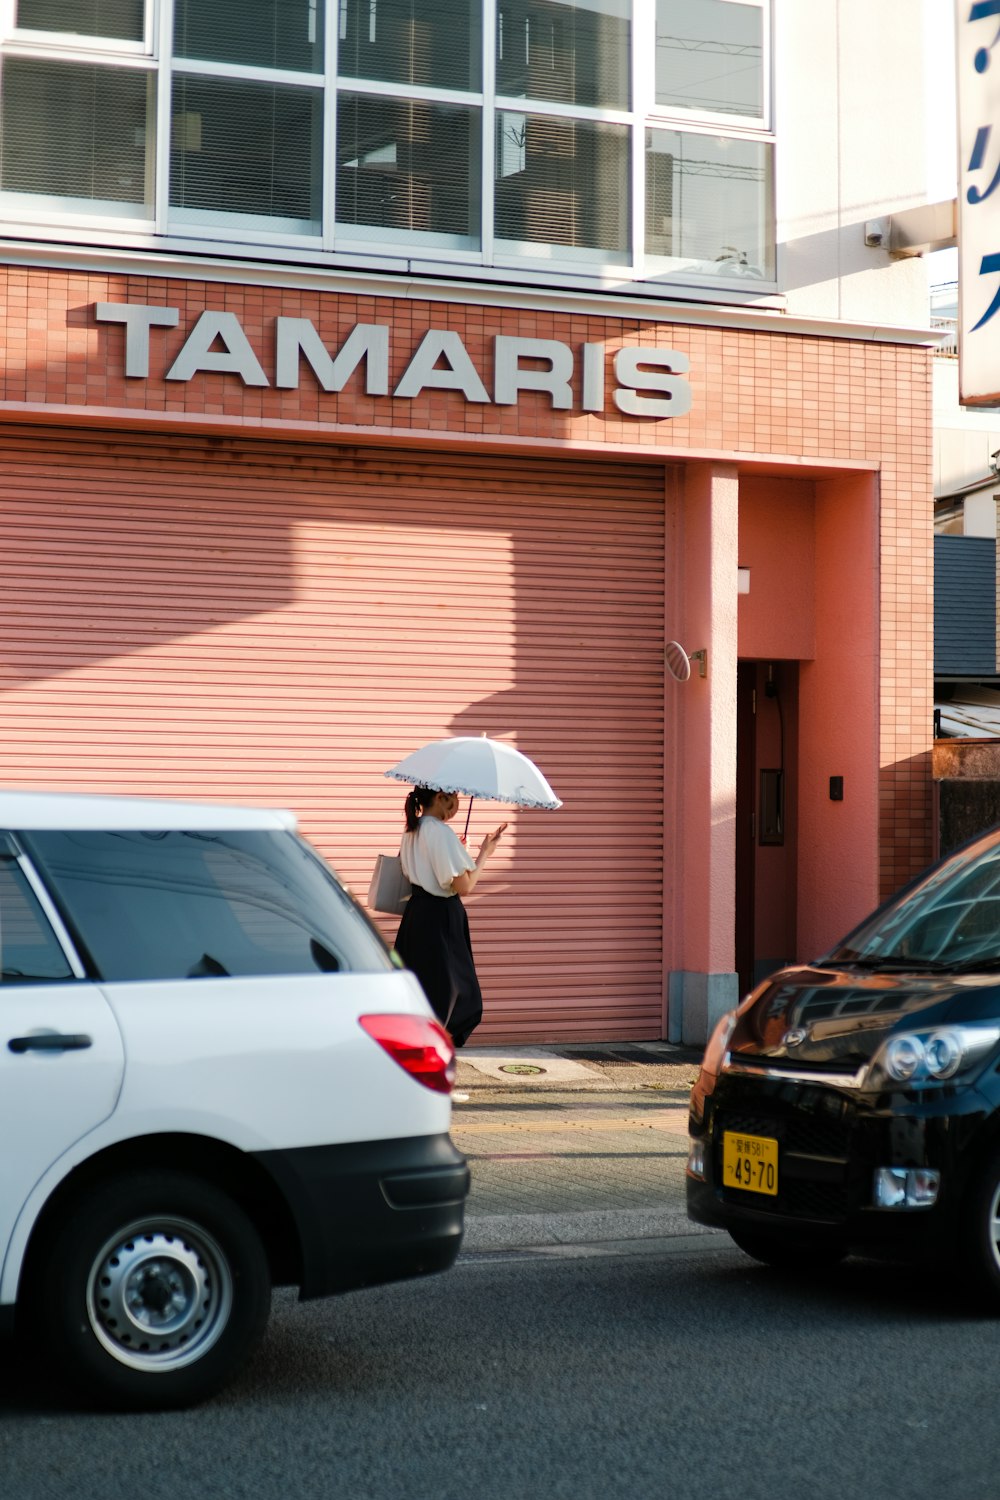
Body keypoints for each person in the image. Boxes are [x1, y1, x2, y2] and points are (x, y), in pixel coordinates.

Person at [394, 784, 506, 1050]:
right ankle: (435, 1066)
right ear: (441, 798)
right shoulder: (440, 833)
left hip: (416, 916)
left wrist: (457, 850)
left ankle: (418, 1059)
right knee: (454, 997)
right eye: (454, 797)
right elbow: (465, 886)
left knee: (422, 992)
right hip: (440, 919)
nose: (457, 803)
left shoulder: (413, 828)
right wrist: (484, 854)